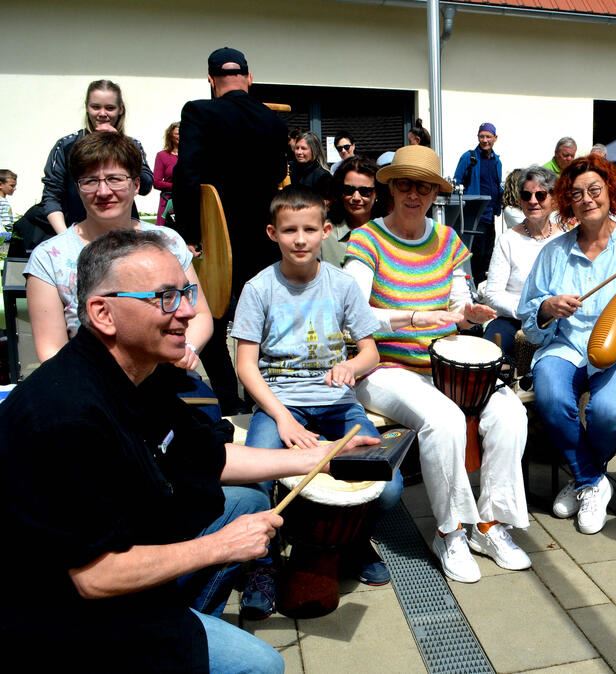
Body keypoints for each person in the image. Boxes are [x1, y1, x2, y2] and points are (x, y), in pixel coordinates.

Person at [1, 229, 379, 670]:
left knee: (244, 500)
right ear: (103, 313)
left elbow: (208, 456)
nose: (186, 310)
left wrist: (320, 458)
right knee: (261, 666)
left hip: (120, 558)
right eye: (164, 298)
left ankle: (183, 619)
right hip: (61, 616)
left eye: (184, 292)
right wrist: (219, 547)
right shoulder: (67, 417)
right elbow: (96, 577)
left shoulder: (142, 369)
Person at [348, 145, 530, 583]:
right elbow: (351, 312)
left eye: (424, 187)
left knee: (511, 413)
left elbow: (457, 301)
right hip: (384, 367)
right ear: (390, 187)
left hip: (442, 366)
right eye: (406, 184)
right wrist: (410, 318)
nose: (415, 194)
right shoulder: (367, 238)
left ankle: (490, 525)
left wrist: (468, 315)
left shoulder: (447, 240)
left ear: (434, 194)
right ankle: (449, 532)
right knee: (445, 420)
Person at [232, 185, 401, 618]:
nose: (301, 239)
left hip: (337, 404)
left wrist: (353, 367)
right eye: (290, 230)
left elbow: (370, 351)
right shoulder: (258, 288)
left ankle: (351, 538)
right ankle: (262, 563)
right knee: (253, 478)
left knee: (387, 484)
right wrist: (283, 418)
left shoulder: (342, 285)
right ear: (273, 233)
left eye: (310, 229)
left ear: (327, 230)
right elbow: (246, 365)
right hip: (280, 401)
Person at [520, 155, 616, 535]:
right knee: (551, 397)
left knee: (608, 409)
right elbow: (528, 315)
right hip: (566, 344)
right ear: (568, 202)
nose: (587, 199)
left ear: (611, 193)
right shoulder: (553, 252)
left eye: (595, 190)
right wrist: (546, 308)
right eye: (576, 194)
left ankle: (583, 477)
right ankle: (591, 480)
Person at [25, 131, 213, 369]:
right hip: (89, 383)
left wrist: (187, 350)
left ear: (135, 185)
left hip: (167, 375)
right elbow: (52, 349)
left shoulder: (168, 241)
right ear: (78, 188)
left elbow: (200, 315)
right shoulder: (49, 257)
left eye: (114, 179)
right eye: (90, 181)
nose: (103, 192)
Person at [174, 46, 291, 415]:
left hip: (217, 236)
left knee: (209, 318)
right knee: (265, 317)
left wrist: (190, 234)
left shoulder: (199, 112)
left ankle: (228, 398)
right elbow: (276, 176)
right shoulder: (274, 120)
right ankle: (265, 396)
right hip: (264, 236)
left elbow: (188, 175)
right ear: (249, 78)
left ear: (211, 80)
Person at [41, 79, 154, 235]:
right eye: (95, 107)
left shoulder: (132, 144)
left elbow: (145, 186)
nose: (102, 114)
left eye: (110, 108)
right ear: (87, 107)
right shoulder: (66, 145)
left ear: (120, 109)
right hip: (78, 233)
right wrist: (67, 239)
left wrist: (121, 145)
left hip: (122, 236)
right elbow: (51, 196)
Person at [483, 165, 564, 354]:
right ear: (520, 200)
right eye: (527, 196)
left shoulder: (565, 239)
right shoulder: (508, 240)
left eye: (541, 195)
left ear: (554, 199)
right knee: (490, 353)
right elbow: (492, 294)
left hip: (558, 319)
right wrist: (530, 311)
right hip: (513, 318)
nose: (533, 201)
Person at [453, 123, 503, 283]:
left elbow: (496, 185)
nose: (485, 140)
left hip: (490, 215)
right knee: (475, 253)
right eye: (482, 136)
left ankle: (482, 288)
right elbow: (457, 182)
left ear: (495, 138)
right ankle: (471, 287)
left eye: (488, 136)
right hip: (474, 214)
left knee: (488, 253)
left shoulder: (497, 161)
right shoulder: (469, 157)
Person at [322, 156, 389, 267]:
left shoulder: (390, 233)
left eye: (365, 191)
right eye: (349, 190)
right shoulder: (324, 234)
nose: (356, 197)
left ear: (377, 193)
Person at [291, 131, 332, 195]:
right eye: (297, 148)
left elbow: (325, 203)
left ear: (314, 150)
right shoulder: (291, 169)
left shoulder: (323, 176)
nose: (299, 152)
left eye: (303, 148)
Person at [154, 122, 179, 227]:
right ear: (171, 136)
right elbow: (156, 182)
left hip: (189, 201)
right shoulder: (162, 155)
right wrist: (178, 187)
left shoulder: (192, 155)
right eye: (177, 133)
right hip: (169, 202)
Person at [0, 169, 15, 235]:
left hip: (8, 235)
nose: (14, 188)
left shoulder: (4, 200)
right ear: (0, 185)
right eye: (12, 185)